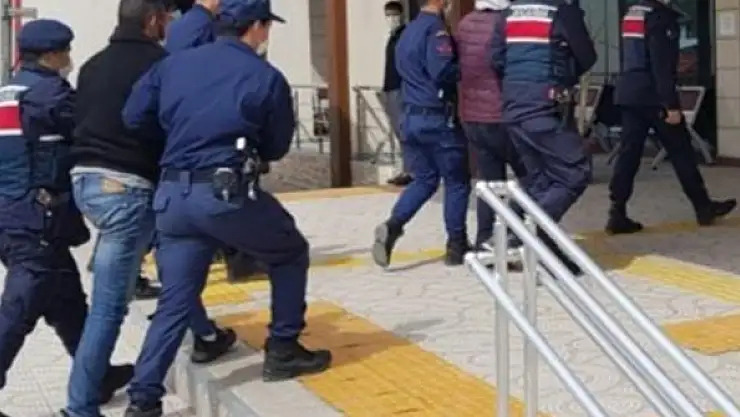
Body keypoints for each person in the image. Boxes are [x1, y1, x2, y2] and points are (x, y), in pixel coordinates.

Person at [119, 0, 332, 415]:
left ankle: (143, 399)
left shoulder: (172, 64)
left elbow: (133, 116)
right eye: (267, 26)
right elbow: (276, 146)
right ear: (257, 26)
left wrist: (176, 137)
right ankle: (283, 347)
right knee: (289, 251)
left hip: (173, 195)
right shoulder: (264, 75)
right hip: (224, 194)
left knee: (175, 300)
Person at [0, 19, 132, 417]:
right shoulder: (52, 96)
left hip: (14, 214)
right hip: (36, 219)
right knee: (20, 308)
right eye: (66, 52)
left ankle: (96, 376)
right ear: (53, 55)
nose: (70, 59)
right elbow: (93, 130)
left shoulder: (8, 92)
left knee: (67, 300)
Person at [608, 0, 736, 234]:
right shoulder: (661, 18)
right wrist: (671, 105)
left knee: (629, 154)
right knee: (681, 151)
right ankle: (703, 207)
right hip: (654, 96)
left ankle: (617, 210)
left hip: (630, 93)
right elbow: (661, 65)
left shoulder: (633, 13)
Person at [491, 0, 596, 275]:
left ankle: (545, 255)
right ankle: (526, 232)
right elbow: (587, 56)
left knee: (541, 182)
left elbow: (496, 59)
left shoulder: (509, 13)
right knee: (575, 172)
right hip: (545, 108)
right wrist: (564, 77)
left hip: (514, 107)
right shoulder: (562, 11)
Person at [372, 0, 471, 268]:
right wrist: (467, 66)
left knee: (425, 179)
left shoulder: (407, 32)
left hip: (411, 115)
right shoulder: (435, 30)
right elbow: (442, 71)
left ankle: (394, 224)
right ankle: (457, 244)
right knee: (456, 180)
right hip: (436, 117)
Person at [456, 0, 525, 249]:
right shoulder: (505, 23)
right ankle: (513, 233)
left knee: (488, 183)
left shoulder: (464, 24)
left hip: (473, 116)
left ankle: (484, 239)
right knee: (532, 177)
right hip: (501, 114)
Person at [381, 1, 412, 187]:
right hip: (390, 88)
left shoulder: (404, 36)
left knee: (404, 130)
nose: (391, 18)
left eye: (394, 14)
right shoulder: (392, 38)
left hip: (400, 88)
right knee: (398, 131)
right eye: (388, 15)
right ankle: (405, 168)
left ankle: (410, 170)